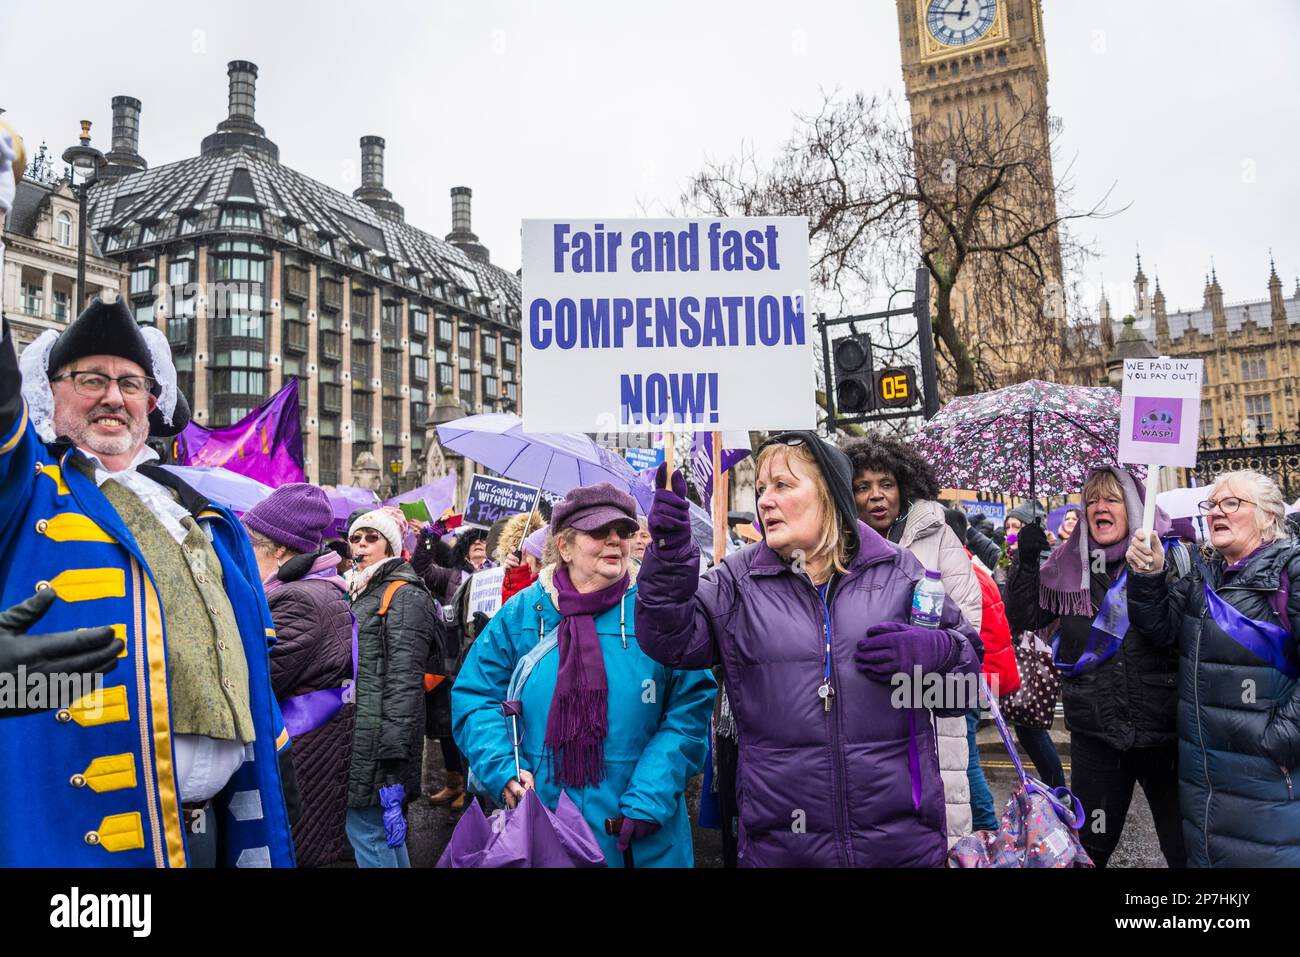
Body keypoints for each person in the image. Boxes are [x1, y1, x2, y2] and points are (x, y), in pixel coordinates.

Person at [0, 298, 296, 866]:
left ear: (151, 403)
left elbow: (248, 658)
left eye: (130, 383)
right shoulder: (29, 491)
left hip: (215, 829)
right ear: (50, 394)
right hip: (80, 835)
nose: (113, 396)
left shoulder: (200, 512)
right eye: (91, 379)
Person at [636, 433, 982, 866]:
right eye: (761, 489)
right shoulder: (737, 582)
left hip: (899, 845)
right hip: (783, 848)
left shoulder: (899, 572)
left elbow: (966, 694)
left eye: (782, 485)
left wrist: (940, 653)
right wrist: (668, 561)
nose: (765, 501)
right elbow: (668, 639)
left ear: (830, 495)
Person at [453, 483, 716, 867]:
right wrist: (504, 770)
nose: (615, 542)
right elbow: (476, 696)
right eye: (599, 531)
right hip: (543, 826)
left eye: (624, 532)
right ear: (565, 546)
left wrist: (652, 793)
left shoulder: (658, 610)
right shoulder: (523, 613)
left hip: (640, 834)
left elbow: (691, 707)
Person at [1007, 467, 1186, 868]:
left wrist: (1151, 576)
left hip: (1165, 734)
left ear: (1136, 506)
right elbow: (1023, 618)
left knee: (1182, 848)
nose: (1098, 508)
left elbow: (1170, 633)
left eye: (1111, 499)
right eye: (1090, 500)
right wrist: (1026, 563)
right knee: (1091, 849)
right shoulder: (1067, 566)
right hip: (1097, 735)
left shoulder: (1171, 557)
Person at [1128, 470, 1300, 866]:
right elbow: (1160, 632)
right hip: (1203, 778)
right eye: (1212, 505)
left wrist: (1278, 740)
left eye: (1232, 503)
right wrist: (1150, 576)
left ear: (1268, 517)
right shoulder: (1202, 575)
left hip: (1269, 782)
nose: (1216, 512)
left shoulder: (1290, 572)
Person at [841, 434, 984, 845]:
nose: (876, 496)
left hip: (931, 712)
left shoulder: (938, 535)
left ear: (904, 484)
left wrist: (926, 654)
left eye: (885, 483)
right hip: (863, 710)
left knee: (938, 824)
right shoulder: (838, 544)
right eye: (862, 487)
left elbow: (968, 624)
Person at [242, 484, 355, 868]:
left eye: (250, 547)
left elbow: (255, 683)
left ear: (279, 550)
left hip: (304, 760)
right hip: (315, 755)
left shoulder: (298, 599)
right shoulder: (314, 590)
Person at [344, 509, 442, 867]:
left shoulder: (403, 594)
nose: (362, 544)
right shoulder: (361, 587)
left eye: (371, 538)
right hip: (362, 729)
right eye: (356, 538)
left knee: (369, 831)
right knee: (382, 832)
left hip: (381, 740)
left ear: (390, 546)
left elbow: (404, 681)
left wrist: (393, 756)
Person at [945, 507, 1019, 831]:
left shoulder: (958, 572)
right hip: (979, 677)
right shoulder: (970, 565)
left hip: (971, 679)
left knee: (967, 758)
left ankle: (987, 826)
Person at [495, 511, 545, 604]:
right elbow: (512, 614)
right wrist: (516, 577)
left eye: (526, 555)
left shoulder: (551, 586)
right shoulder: (513, 576)